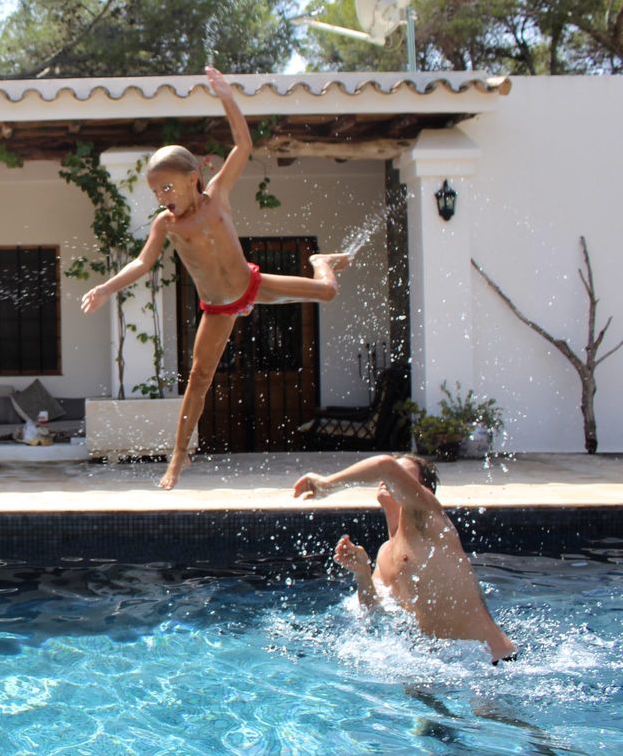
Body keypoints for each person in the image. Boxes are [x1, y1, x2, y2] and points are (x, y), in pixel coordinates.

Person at [80, 66, 351, 489]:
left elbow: (243, 143)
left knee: (328, 293)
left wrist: (227, 96)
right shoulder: (165, 226)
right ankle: (177, 459)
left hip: (252, 285)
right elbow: (142, 264)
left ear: (193, 179)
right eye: (156, 193)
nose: (163, 198)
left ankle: (321, 261)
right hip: (219, 306)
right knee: (199, 378)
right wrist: (105, 287)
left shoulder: (219, 195)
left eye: (168, 189)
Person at [293, 453, 518, 665]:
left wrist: (326, 485)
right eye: (395, 470)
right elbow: (376, 613)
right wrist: (362, 572)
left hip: (493, 661)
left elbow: (385, 465)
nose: (389, 476)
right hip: (443, 662)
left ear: (421, 489)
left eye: (403, 472)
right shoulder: (385, 551)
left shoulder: (427, 515)